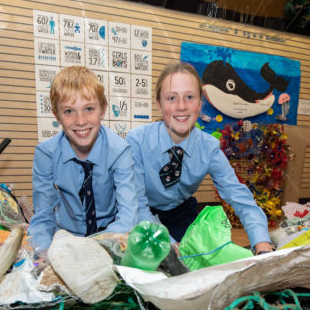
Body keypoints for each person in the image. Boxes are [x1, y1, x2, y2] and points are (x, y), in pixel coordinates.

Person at [126, 62, 273, 255]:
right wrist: (168, 245)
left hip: (181, 214)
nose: (181, 106)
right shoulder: (137, 140)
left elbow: (238, 196)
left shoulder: (209, 147)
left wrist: (262, 243)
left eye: (190, 97)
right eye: (172, 98)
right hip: (142, 214)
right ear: (159, 105)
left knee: (198, 263)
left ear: (200, 104)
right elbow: (136, 204)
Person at [28, 66, 138, 255]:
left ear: (103, 109)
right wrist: (42, 251)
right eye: (69, 111)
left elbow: (128, 214)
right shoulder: (46, 153)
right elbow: (43, 215)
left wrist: (97, 250)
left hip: (110, 237)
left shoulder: (119, 151)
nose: (80, 121)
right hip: (66, 238)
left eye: (89, 109)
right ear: (56, 115)